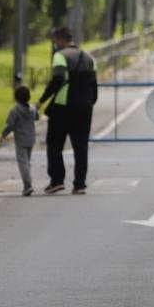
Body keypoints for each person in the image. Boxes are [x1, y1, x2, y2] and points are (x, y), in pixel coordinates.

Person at [37, 26, 97, 194]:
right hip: (84, 108)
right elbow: (94, 86)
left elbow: (57, 79)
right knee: (81, 146)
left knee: (54, 144)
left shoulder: (60, 56)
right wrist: (89, 102)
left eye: (55, 40)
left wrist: (41, 100)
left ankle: (57, 180)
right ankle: (79, 184)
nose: (54, 44)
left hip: (62, 108)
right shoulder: (89, 57)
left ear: (61, 39)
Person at [0, 85, 39, 196]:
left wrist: (3, 134)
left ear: (16, 98)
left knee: (23, 163)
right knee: (27, 162)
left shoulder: (15, 111)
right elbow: (37, 117)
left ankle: (27, 185)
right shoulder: (32, 109)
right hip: (31, 139)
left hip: (21, 140)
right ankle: (28, 183)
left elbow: (10, 125)